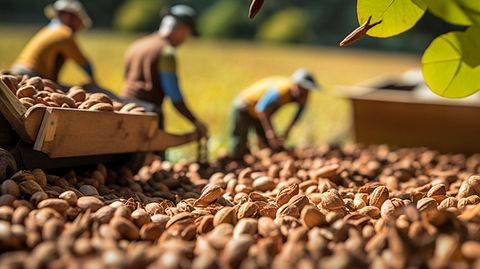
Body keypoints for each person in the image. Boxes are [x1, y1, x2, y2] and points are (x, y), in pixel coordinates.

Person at [121, 5, 208, 139]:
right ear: (182, 30)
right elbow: (174, 96)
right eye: (188, 34)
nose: (186, 40)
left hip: (123, 108)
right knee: (156, 159)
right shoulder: (166, 53)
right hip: (148, 113)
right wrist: (196, 122)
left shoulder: (137, 45)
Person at [230, 69, 320, 159]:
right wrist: (271, 134)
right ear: (295, 86)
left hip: (259, 114)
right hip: (244, 107)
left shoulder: (302, 97)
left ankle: (262, 161)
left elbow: (299, 114)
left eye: (307, 91)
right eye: (303, 90)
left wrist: (286, 133)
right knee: (239, 142)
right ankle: (236, 160)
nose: (305, 94)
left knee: (268, 145)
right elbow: (261, 109)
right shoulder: (281, 90)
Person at [11, 0, 95, 85]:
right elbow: (84, 64)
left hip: (18, 71)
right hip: (31, 75)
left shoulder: (50, 29)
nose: (78, 27)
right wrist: (94, 82)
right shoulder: (64, 33)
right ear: (68, 17)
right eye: (77, 20)